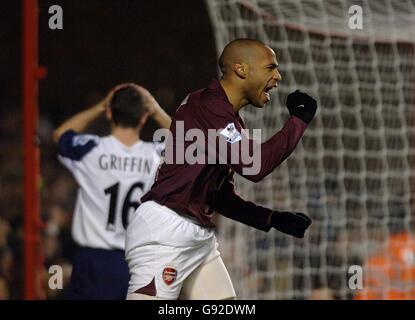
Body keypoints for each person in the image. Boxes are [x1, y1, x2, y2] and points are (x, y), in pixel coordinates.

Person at [125, 38, 317, 300]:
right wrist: (297, 122)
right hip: (165, 231)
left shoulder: (225, 119)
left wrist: (272, 218)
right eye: (270, 67)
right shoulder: (207, 105)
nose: (278, 76)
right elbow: (255, 165)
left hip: (197, 235)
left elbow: (219, 198)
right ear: (241, 69)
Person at [53, 83, 171, 299]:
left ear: (109, 113)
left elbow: (60, 135)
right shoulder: (155, 155)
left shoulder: (91, 149)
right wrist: (155, 109)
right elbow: (191, 145)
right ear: (143, 118)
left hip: (93, 261)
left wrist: (100, 106)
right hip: (139, 262)